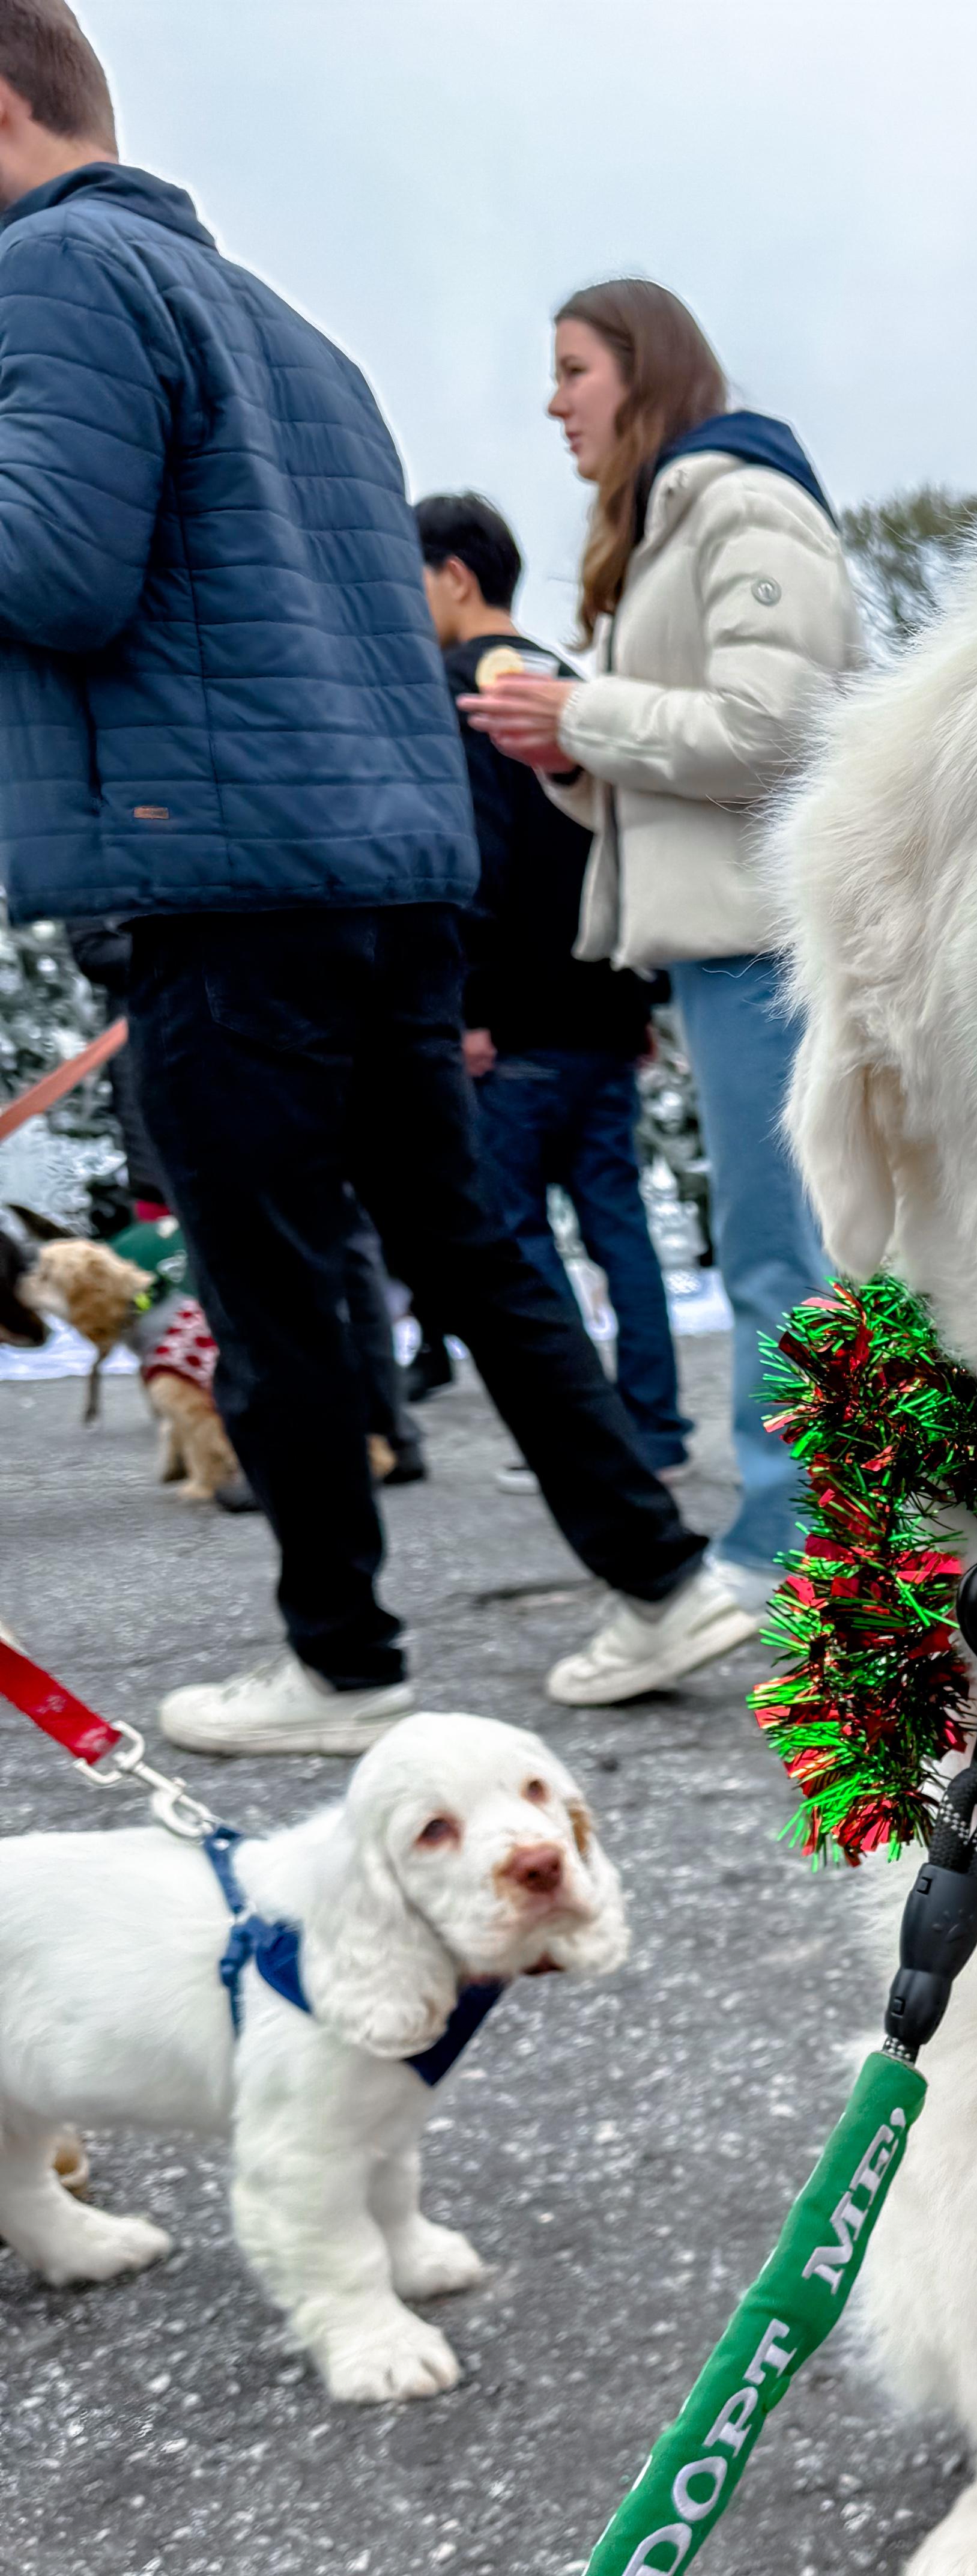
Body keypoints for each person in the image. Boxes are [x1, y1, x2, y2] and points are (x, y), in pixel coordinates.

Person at [0, 2, 755, 1754]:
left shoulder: (48, 280)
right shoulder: (298, 332)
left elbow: (53, 568)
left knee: (266, 1266)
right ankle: (659, 1574)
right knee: (469, 1249)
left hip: (223, 872)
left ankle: (338, 1663)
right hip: (383, 874)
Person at [468, 280, 859, 1609]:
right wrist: (569, 749)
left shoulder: (739, 501)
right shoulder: (676, 523)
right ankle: (832, 1514)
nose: (554, 400)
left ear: (644, 372)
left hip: (766, 941)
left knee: (783, 1253)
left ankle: (791, 1537)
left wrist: (581, 712)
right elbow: (695, 747)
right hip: (727, 941)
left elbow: (780, 726)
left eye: (572, 368)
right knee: (797, 1242)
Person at [417, 488, 692, 1489]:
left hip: (515, 1019)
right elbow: (624, 839)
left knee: (518, 1233)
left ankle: (585, 1445)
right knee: (617, 1222)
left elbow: (473, 857)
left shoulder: (454, 689)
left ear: (454, 575)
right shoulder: (567, 683)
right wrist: (641, 995)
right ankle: (655, 1428)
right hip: (604, 1009)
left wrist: (468, 1005)